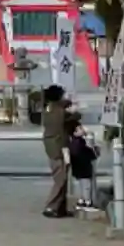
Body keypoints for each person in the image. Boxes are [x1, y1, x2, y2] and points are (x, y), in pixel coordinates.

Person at [40, 85, 71, 218]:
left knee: (63, 177)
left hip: (56, 146)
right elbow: (71, 116)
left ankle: (60, 207)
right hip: (57, 147)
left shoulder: (50, 108)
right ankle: (51, 206)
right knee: (60, 178)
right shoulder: (57, 111)